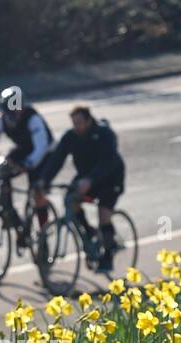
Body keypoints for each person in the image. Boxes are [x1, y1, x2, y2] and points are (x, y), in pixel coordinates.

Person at [39, 105, 125, 273]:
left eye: (79, 122)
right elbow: (57, 159)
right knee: (70, 199)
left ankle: (108, 254)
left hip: (110, 178)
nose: (77, 127)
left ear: (88, 120)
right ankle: (88, 231)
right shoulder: (71, 137)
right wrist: (45, 180)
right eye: (74, 123)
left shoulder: (104, 134)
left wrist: (90, 180)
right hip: (86, 177)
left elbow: (108, 161)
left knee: (103, 214)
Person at [0, 86, 53, 232]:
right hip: (24, 149)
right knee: (2, 168)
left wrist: (29, 163)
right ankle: (9, 214)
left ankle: (44, 231)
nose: (11, 116)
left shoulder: (33, 118)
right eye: (7, 112)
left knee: (37, 192)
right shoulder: (1, 119)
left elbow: (41, 146)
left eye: (15, 111)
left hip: (44, 153)